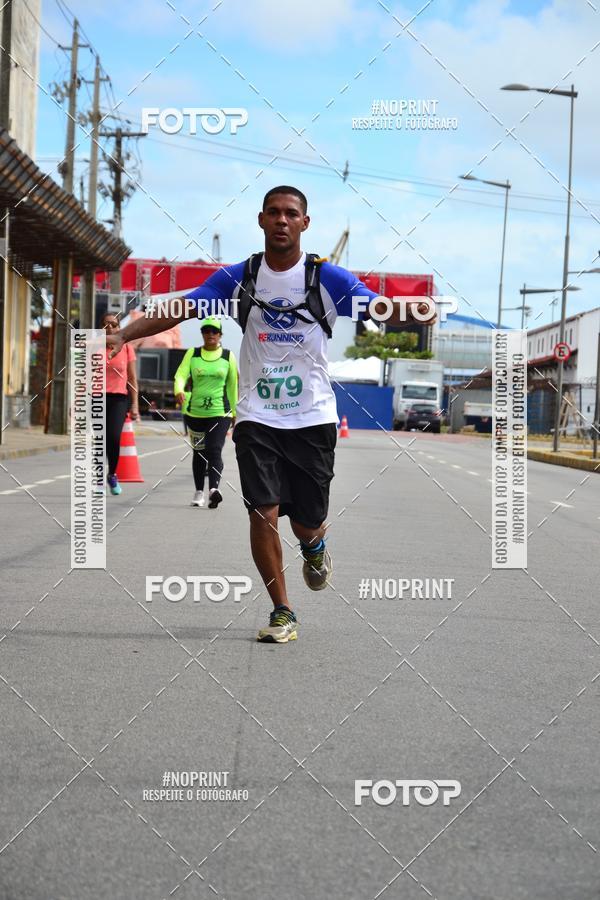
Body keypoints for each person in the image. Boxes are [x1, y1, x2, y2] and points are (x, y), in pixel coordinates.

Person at [106, 186, 435, 641]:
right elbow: (183, 306)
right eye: (274, 213)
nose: (282, 220)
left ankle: (314, 546)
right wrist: (125, 333)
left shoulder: (327, 278)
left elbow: (377, 305)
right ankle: (283, 610)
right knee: (262, 511)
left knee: (305, 521)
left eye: (291, 214)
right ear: (261, 220)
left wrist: (415, 311)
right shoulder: (240, 277)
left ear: (305, 223)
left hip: (313, 417)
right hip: (258, 415)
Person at [173, 316, 238, 509]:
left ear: (220, 335)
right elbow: (180, 374)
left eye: (214, 331)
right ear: (202, 334)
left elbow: (233, 386)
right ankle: (199, 492)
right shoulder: (192, 354)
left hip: (220, 412)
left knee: (214, 449)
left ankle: (214, 490)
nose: (210, 334)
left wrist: (235, 412)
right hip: (196, 413)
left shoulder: (228, 356)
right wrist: (178, 390)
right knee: (199, 453)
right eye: (206, 331)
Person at [102, 312, 140, 495]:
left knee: (114, 438)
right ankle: (98, 480)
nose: (110, 327)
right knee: (99, 440)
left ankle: (112, 474)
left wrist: (135, 405)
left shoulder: (126, 348)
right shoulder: (94, 348)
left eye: (114, 324)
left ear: (119, 328)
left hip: (118, 398)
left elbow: (132, 378)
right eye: (106, 324)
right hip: (96, 397)